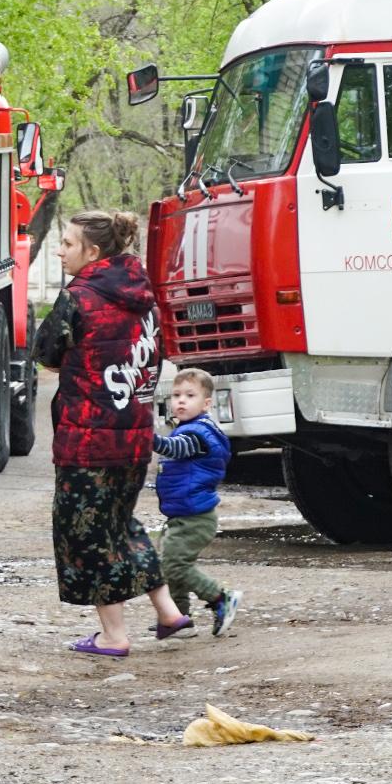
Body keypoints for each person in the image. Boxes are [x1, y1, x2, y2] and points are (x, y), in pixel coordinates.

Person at [32, 209, 191, 657]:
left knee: (85, 536)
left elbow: (45, 353)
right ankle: (168, 613)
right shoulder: (145, 299)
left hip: (89, 442)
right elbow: (153, 361)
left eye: (67, 243)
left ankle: (113, 636)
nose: (61, 250)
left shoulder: (79, 297)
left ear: (93, 251)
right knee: (119, 525)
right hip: (134, 436)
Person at [154, 367, 242, 637]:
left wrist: (146, 438)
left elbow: (175, 449)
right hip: (183, 514)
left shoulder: (197, 435)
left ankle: (219, 598)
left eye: (189, 395)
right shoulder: (188, 429)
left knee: (175, 565)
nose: (180, 400)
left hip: (195, 517)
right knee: (171, 562)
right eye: (176, 395)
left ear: (206, 403)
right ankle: (178, 619)